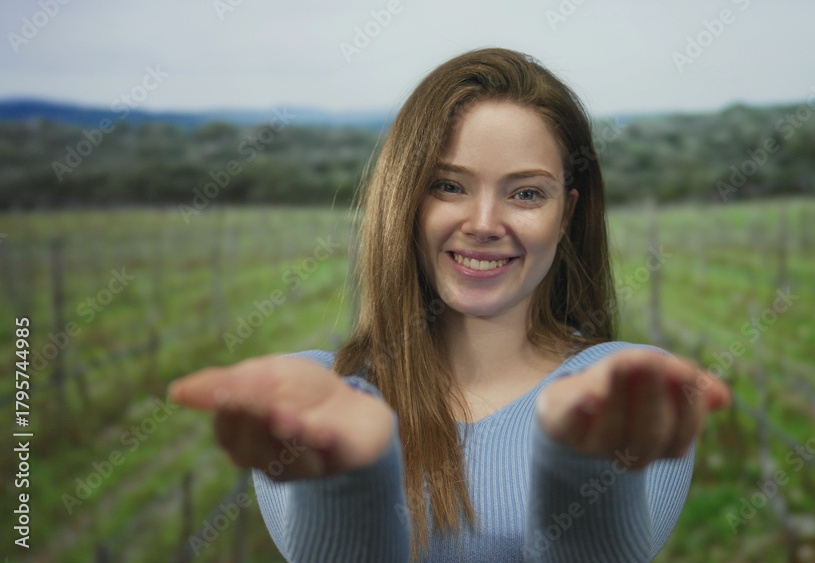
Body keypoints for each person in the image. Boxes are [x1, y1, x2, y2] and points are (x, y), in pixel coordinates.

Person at [169, 47, 731, 562]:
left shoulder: (627, 395)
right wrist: (348, 479)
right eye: (449, 186)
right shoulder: (318, 398)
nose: (484, 224)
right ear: (405, 200)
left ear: (566, 216)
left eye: (527, 193)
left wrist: (579, 459)